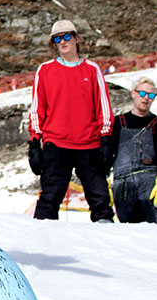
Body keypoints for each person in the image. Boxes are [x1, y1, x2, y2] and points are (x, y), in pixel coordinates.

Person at [27, 20, 114, 222]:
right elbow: (38, 107)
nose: (63, 42)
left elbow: (103, 105)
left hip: (89, 143)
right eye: (58, 38)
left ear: (76, 38)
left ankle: (106, 235)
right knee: (49, 197)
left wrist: (106, 138)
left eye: (67, 36)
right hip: (56, 143)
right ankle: (43, 235)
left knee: (100, 199)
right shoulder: (45, 70)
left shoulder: (92, 69)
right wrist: (34, 142)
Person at [110, 78, 157, 225]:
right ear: (133, 93)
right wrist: (104, 181)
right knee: (129, 232)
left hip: (150, 184)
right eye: (143, 93)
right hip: (123, 186)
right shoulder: (116, 123)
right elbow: (106, 154)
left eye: (151, 95)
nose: (146, 98)